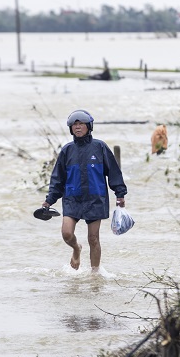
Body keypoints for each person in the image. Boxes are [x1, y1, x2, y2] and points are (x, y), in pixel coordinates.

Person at [41, 109, 127, 272]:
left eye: (81, 124)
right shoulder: (67, 150)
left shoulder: (100, 147)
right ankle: (76, 249)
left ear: (89, 126)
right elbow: (57, 179)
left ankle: (95, 274)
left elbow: (114, 172)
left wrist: (120, 194)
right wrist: (49, 200)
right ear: (71, 128)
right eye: (74, 125)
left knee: (93, 239)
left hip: (95, 199)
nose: (78, 127)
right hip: (72, 199)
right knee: (66, 234)